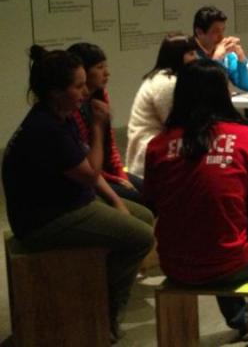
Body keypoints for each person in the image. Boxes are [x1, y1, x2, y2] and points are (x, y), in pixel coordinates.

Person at [2, 46, 154, 342]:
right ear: (55, 92)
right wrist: (97, 126)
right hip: (46, 220)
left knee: (144, 216)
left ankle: (97, 290)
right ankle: (104, 311)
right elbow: (91, 172)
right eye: (78, 86)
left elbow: (88, 173)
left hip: (70, 201)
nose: (85, 92)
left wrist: (116, 201)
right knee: (142, 237)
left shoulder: (62, 116)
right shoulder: (47, 129)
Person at [144, 60, 248, 336]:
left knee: (216, 235)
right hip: (228, 262)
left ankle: (239, 317)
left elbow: (155, 203)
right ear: (223, 93)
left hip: (173, 264)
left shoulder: (157, 145)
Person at [67, 42, 145, 205]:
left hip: (104, 172)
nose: (107, 73)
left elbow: (110, 146)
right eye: (100, 67)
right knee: (140, 200)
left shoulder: (100, 96)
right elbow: (87, 166)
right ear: (83, 71)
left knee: (152, 192)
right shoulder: (72, 108)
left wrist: (120, 175)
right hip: (91, 178)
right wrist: (115, 179)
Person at [125, 33, 198, 178]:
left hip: (156, 148)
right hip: (149, 155)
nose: (195, 58)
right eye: (191, 54)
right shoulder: (166, 83)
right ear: (177, 56)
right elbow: (175, 123)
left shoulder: (166, 78)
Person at [193, 5, 248, 92]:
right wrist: (216, 60)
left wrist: (241, 59)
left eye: (223, 30)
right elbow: (202, 90)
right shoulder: (188, 54)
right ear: (199, 32)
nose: (222, 37)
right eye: (216, 31)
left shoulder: (227, 55)